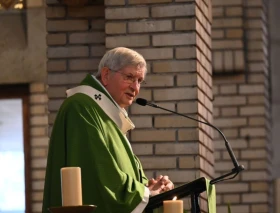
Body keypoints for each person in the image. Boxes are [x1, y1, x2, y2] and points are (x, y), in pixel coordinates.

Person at [42, 47, 174, 213]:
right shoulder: (82, 108)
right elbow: (99, 173)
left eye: (140, 81)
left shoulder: (109, 117)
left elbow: (124, 176)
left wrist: (153, 188)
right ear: (105, 75)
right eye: (129, 77)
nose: (135, 87)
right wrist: (145, 194)